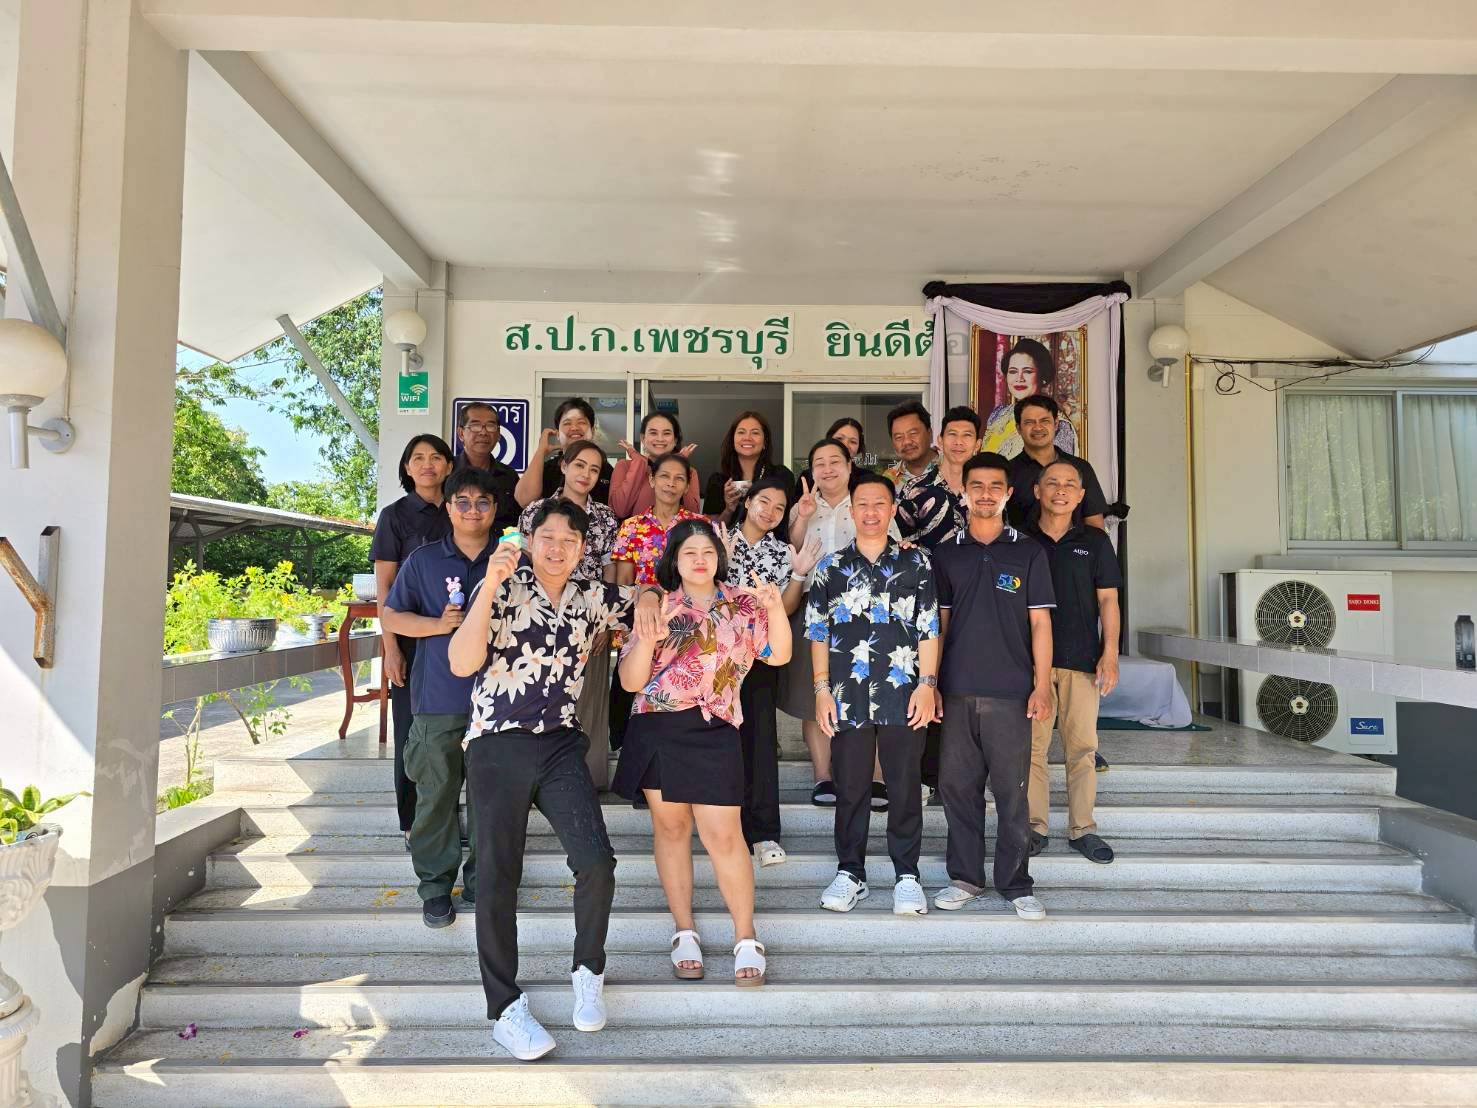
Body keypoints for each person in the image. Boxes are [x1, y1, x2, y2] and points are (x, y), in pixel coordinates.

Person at [448, 499, 661, 1061]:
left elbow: (642, 593)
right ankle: (504, 1008)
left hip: (561, 743)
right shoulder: (502, 584)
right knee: (497, 874)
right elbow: (460, 662)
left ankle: (588, 969)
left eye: (571, 538)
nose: (559, 546)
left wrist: (648, 597)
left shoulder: (591, 593)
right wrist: (489, 587)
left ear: (583, 547)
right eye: (549, 536)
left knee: (596, 861)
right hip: (497, 742)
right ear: (530, 538)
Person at [614, 519, 791, 987]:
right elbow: (631, 681)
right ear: (674, 559)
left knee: (725, 836)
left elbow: (777, 655)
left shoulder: (743, 604)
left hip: (716, 728)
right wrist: (647, 637)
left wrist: (775, 609)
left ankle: (746, 936)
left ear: (719, 557)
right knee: (671, 830)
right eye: (689, 551)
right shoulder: (657, 604)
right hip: (658, 725)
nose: (699, 559)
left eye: (707, 552)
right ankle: (684, 931)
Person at [806, 471, 939, 916]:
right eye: (862, 503)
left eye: (879, 503)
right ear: (852, 508)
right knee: (852, 787)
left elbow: (929, 628)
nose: (870, 512)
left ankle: (907, 875)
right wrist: (822, 690)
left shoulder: (916, 564)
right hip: (848, 694)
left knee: (903, 786)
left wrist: (928, 684)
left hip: (903, 691)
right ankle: (851, 873)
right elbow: (818, 633)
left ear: (891, 509)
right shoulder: (830, 567)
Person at [932, 452, 1055, 921]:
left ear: (1008, 494)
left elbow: (1041, 625)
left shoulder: (1028, 552)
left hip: (1011, 692)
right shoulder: (946, 554)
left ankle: (1016, 883)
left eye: (994, 486)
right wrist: (933, 683)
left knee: (1011, 791)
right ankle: (965, 877)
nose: (984, 494)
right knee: (958, 789)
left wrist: (1041, 685)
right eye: (976, 486)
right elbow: (938, 626)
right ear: (963, 492)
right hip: (958, 688)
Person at [381, 468, 496, 928]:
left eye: (482, 502)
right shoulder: (424, 561)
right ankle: (434, 888)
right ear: (447, 508)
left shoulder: (511, 561)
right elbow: (392, 616)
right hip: (437, 702)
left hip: (498, 705)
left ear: (493, 509)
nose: (472, 510)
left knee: (492, 802)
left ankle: (483, 882)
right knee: (435, 798)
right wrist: (437, 625)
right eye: (462, 502)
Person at [786, 438, 899, 809]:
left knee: (873, 689)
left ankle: (878, 776)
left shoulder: (866, 502)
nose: (828, 468)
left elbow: (895, 550)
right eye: (819, 462)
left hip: (867, 612)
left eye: (836, 461)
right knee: (812, 694)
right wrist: (802, 516)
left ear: (850, 467)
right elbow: (791, 553)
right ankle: (823, 776)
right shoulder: (803, 507)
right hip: (814, 610)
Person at [719, 478, 823, 866]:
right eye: (764, 501)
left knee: (760, 741)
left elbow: (789, 607)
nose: (770, 511)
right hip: (716, 658)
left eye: (779, 508)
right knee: (719, 741)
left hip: (760, 657)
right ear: (747, 502)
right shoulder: (718, 540)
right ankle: (726, 827)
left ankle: (763, 833)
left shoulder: (783, 552)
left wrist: (796, 576)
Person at [1026, 460, 1122, 864]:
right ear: (1037, 491)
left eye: (1070, 484)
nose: (1061, 490)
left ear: (1081, 496)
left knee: (1082, 747)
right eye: (1053, 483)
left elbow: (1108, 600)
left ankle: (1083, 828)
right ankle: (1033, 827)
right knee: (1031, 749)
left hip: (1083, 659)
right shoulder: (1021, 540)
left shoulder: (1096, 542)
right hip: (1032, 666)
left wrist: (1111, 652)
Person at [370, 434, 454, 847]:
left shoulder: (461, 510)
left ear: (448, 466)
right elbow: (385, 587)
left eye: (436, 457)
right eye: (418, 458)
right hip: (410, 637)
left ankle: (451, 818)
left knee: (454, 730)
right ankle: (412, 822)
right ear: (406, 467)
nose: (427, 464)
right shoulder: (395, 516)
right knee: (410, 730)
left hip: (456, 638)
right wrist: (390, 648)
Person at [519, 439, 621, 779]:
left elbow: (609, 570)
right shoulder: (536, 512)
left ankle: (586, 778)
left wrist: (605, 624)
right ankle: (537, 777)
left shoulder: (605, 517)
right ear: (563, 465)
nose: (586, 474)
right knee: (537, 695)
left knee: (588, 698)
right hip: (538, 615)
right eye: (580, 465)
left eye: (594, 469)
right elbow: (522, 563)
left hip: (588, 619)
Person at [609, 453, 707, 752]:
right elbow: (625, 583)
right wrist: (622, 629)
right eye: (664, 476)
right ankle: (630, 754)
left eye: (679, 478)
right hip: (641, 622)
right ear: (651, 479)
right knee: (631, 690)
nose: (671, 483)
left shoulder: (698, 526)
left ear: (687, 485)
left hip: (686, 627)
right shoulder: (632, 527)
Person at [1006, 395, 1108, 530]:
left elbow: (1095, 524)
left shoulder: (1081, 468)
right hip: (1023, 550)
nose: (1038, 428)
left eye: (1044, 421)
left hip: (1074, 549)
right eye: (1030, 422)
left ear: (1056, 424)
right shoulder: (1007, 471)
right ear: (1018, 428)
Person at [982, 338, 1078, 457]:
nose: (1019, 378)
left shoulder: (1058, 424)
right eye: (1013, 371)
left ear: (1042, 375)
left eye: (1027, 371)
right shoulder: (997, 415)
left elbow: (1059, 472)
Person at [898, 405, 976, 551]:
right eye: (952, 434)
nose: (958, 442)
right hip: (928, 573)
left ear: (977, 444)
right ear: (940, 440)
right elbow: (902, 545)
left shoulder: (986, 492)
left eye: (967, 435)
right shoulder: (914, 489)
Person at [516, 397, 614, 507]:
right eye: (567, 423)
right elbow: (524, 500)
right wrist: (541, 451)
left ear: (593, 431)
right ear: (557, 434)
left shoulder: (606, 470)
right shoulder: (548, 468)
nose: (574, 428)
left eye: (581, 422)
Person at [702, 410, 794, 523]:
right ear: (732, 440)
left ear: (765, 442)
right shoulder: (718, 481)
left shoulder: (781, 476)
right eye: (741, 432)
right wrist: (729, 509)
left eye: (755, 433)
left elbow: (788, 522)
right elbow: (710, 532)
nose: (747, 437)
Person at [610, 412, 701, 520]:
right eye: (653, 433)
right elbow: (619, 511)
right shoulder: (624, 466)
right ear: (643, 438)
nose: (660, 439)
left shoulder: (690, 471)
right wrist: (639, 462)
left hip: (678, 536)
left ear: (675, 440)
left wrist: (679, 464)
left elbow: (693, 515)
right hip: (634, 535)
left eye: (666, 433)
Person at [450, 402, 521, 532]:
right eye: (475, 426)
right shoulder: (447, 471)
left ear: (498, 434)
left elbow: (515, 523)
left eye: (490, 426)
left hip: (498, 549)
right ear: (461, 433)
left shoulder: (509, 476)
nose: (483, 432)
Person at [881, 399, 939, 489]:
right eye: (899, 437)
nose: (907, 441)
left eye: (913, 433)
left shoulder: (954, 467)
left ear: (930, 433)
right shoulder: (888, 480)